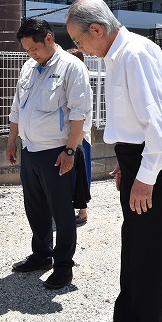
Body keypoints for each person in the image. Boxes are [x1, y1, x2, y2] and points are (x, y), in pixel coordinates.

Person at [65, 0, 162, 322]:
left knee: (151, 255)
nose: (80, 49)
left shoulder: (134, 54)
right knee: (133, 245)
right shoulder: (117, 55)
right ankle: (126, 319)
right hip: (137, 159)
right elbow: (129, 121)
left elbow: (160, 127)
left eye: (81, 41)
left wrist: (145, 178)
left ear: (97, 30)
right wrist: (126, 165)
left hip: (155, 163)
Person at [6, 17, 92, 290]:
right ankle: (42, 255)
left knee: (62, 212)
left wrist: (70, 150)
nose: (31, 54)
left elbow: (80, 113)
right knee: (35, 208)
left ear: (49, 38)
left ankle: (63, 266)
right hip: (30, 150)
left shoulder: (71, 67)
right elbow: (17, 107)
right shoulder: (30, 67)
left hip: (57, 151)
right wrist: (11, 141)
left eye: (34, 48)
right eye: (26, 50)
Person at [66, 48, 92, 225]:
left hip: (80, 138)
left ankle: (82, 212)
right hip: (74, 137)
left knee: (81, 177)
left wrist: (77, 139)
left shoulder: (83, 82)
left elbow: (86, 115)